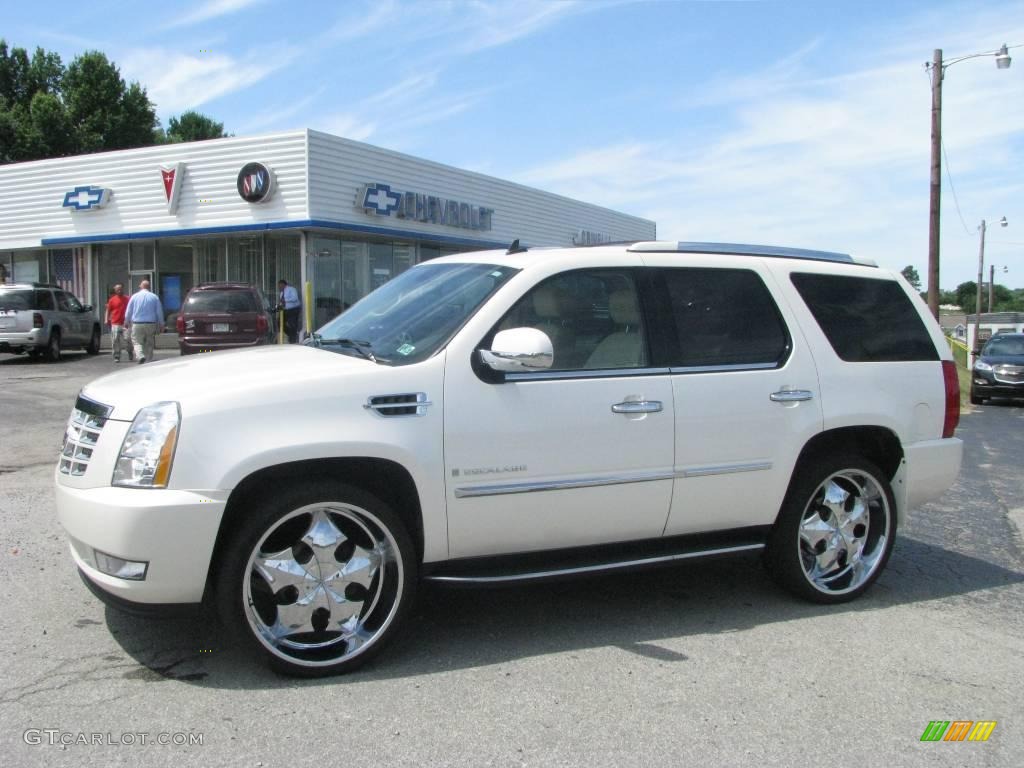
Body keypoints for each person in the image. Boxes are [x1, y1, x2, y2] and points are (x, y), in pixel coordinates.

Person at [124, 280, 165, 364]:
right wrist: (162, 324)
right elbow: (159, 311)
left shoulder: (134, 297)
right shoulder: (154, 297)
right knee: (149, 342)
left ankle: (140, 356)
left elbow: (129, 311)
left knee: (137, 341)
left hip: (137, 323)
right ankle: (149, 359)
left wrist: (126, 321)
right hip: (151, 323)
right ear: (148, 287)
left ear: (141, 287)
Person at [104, 283, 134, 363]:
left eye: (121, 289)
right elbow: (108, 310)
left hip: (125, 323)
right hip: (115, 323)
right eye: (118, 289)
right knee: (115, 341)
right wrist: (106, 319)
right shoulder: (112, 300)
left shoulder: (128, 299)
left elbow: (132, 309)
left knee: (128, 339)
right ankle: (116, 356)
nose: (120, 290)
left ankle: (130, 351)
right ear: (115, 291)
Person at [277, 279, 301, 344]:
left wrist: (286, 300)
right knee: (279, 323)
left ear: (284, 284)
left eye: (280, 285)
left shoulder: (291, 289)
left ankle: (293, 339)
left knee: (292, 324)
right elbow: (282, 302)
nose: (279, 287)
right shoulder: (281, 293)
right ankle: (290, 334)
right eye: (278, 286)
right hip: (285, 310)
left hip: (293, 309)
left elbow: (295, 298)